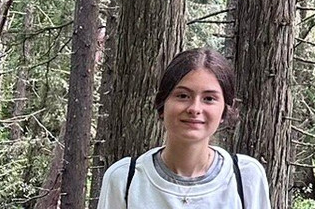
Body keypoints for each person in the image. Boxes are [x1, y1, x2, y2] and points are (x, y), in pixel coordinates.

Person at [96, 48, 271, 208]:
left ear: (225, 110)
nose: (195, 108)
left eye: (209, 98)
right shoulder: (125, 179)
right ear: (162, 104)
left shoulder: (246, 177)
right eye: (183, 96)